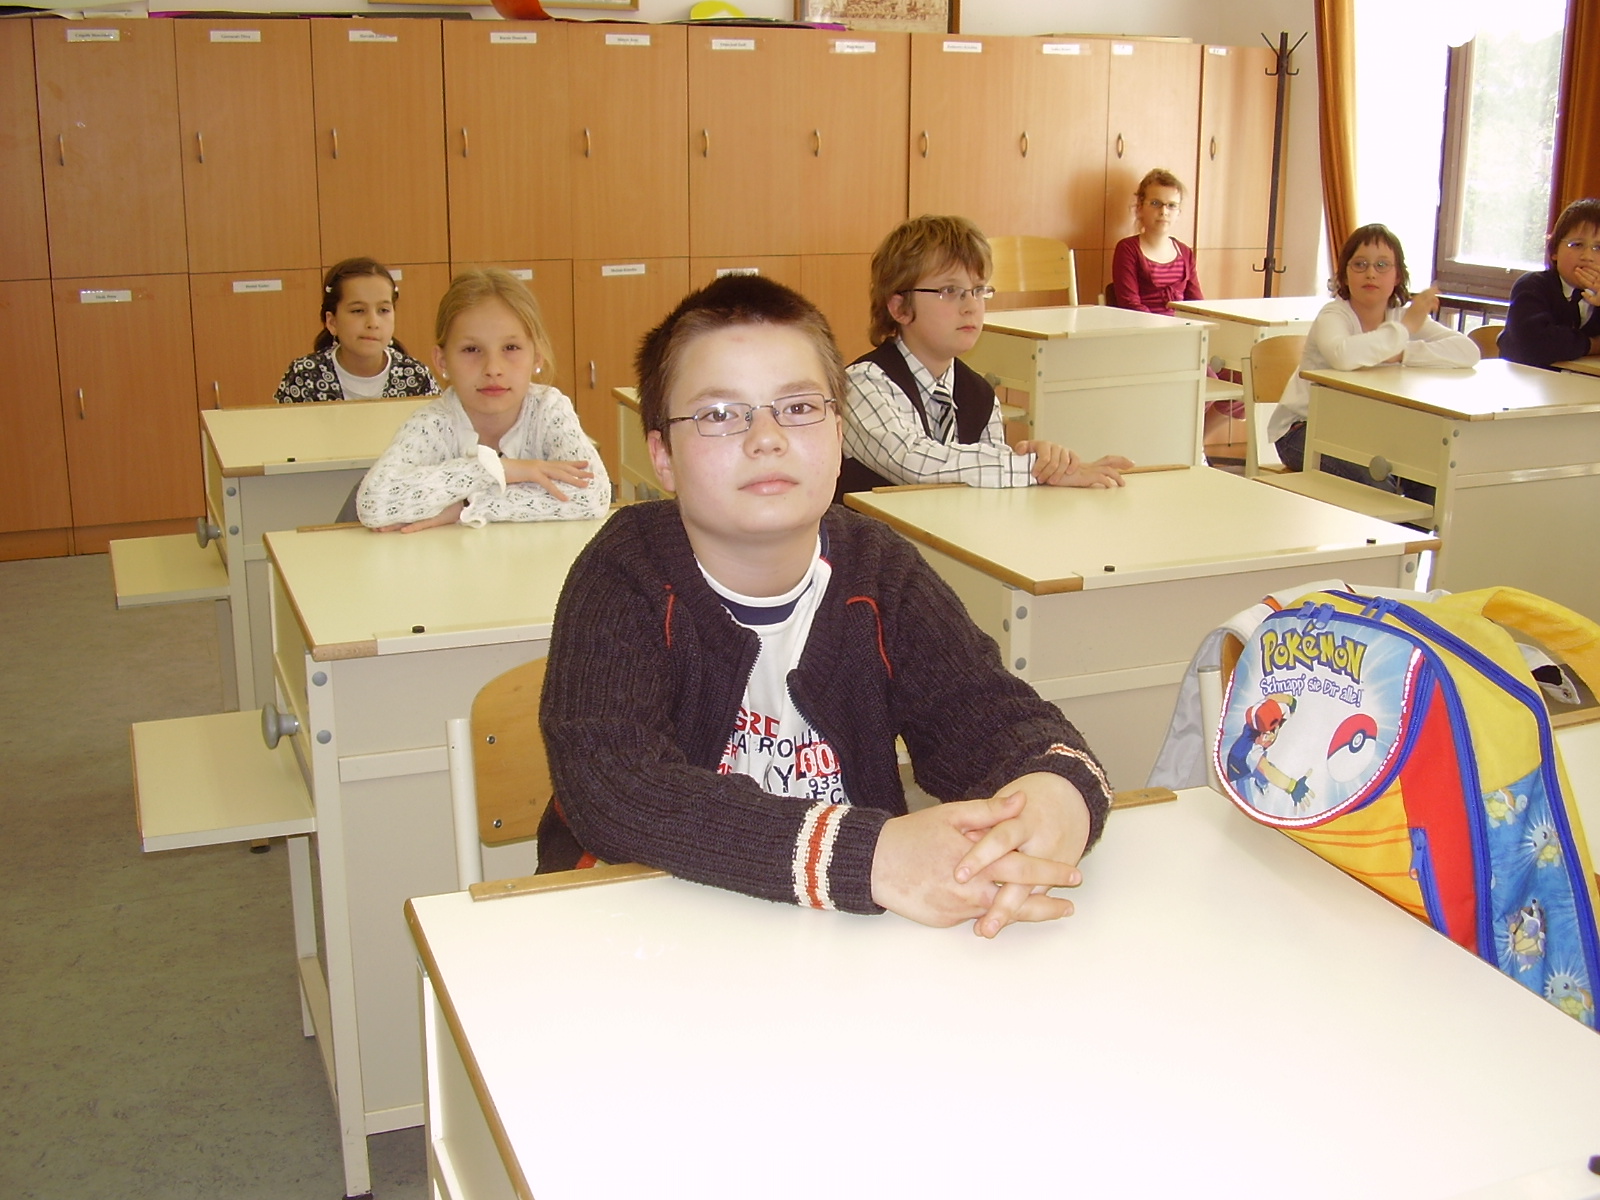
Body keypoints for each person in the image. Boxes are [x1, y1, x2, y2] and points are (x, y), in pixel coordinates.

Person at [538, 275, 1113, 938]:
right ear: (662, 456)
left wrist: (1054, 794)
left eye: (799, 407)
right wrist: (871, 857)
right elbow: (615, 787)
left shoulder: (878, 570)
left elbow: (989, 714)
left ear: (839, 432)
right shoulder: (625, 571)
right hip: (649, 930)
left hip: (841, 939)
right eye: (719, 414)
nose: (766, 438)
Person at [839, 214, 1130, 497]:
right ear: (900, 307)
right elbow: (917, 463)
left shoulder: (979, 393)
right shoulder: (861, 384)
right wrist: (1034, 470)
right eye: (950, 290)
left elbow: (988, 488)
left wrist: (1045, 464)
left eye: (978, 290)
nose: (971, 306)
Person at [356, 268, 610, 531]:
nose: (493, 368)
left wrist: (467, 506)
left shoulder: (549, 409)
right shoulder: (433, 423)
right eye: (472, 349)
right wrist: (494, 470)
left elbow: (593, 497)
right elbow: (374, 503)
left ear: (536, 356)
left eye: (510, 348)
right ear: (442, 361)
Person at [1269, 224, 1479, 481]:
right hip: (1302, 430)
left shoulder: (1399, 315)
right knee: (1378, 483)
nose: (1370, 274)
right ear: (1345, 275)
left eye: (1382, 265)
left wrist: (1401, 353)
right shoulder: (1334, 315)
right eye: (1360, 265)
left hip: (1367, 434)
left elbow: (1468, 352)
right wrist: (1404, 330)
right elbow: (1343, 356)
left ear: (1398, 276)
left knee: (1429, 481)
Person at [273, 258, 438, 403]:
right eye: (358, 311)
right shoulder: (304, 375)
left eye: (383, 310)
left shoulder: (416, 376)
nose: (373, 323)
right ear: (332, 322)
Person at [1499, 197, 1600, 369]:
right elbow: (1536, 344)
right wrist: (1594, 345)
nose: (1588, 257)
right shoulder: (1533, 285)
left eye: (1599, 248)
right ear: (1554, 251)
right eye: (1577, 245)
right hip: (1527, 379)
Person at [1109, 168, 1203, 316]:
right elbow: (1130, 304)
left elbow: (1197, 305)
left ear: (1179, 212)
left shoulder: (1185, 252)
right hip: (1144, 328)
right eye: (1155, 203)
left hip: (1182, 327)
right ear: (1140, 208)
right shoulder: (1128, 249)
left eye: (1172, 205)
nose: (1164, 212)